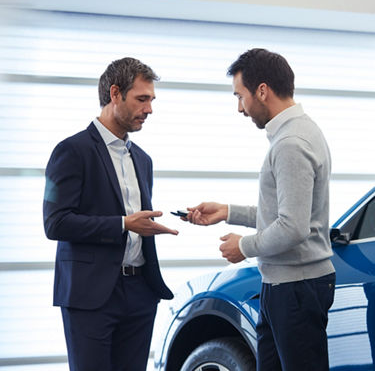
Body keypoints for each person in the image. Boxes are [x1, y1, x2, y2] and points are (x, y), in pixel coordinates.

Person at [184, 48, 336, 371]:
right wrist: (226, 211)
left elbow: (293, 227)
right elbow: (283, 213)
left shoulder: (291, 143)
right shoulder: (297, 133)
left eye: (240, 96)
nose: (239, 107)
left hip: (294, 288)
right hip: (284, 286)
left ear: (262, 91)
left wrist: (243, 246)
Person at [43, 57, 178, 371]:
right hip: (91, 296)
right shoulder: (70, 151)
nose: (149, 109)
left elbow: (136, 221)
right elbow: (55, 222)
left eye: (152, 100)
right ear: (115, 94)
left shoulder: (143, 160)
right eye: (141, 99)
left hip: (140, 292)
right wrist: (123, 224)